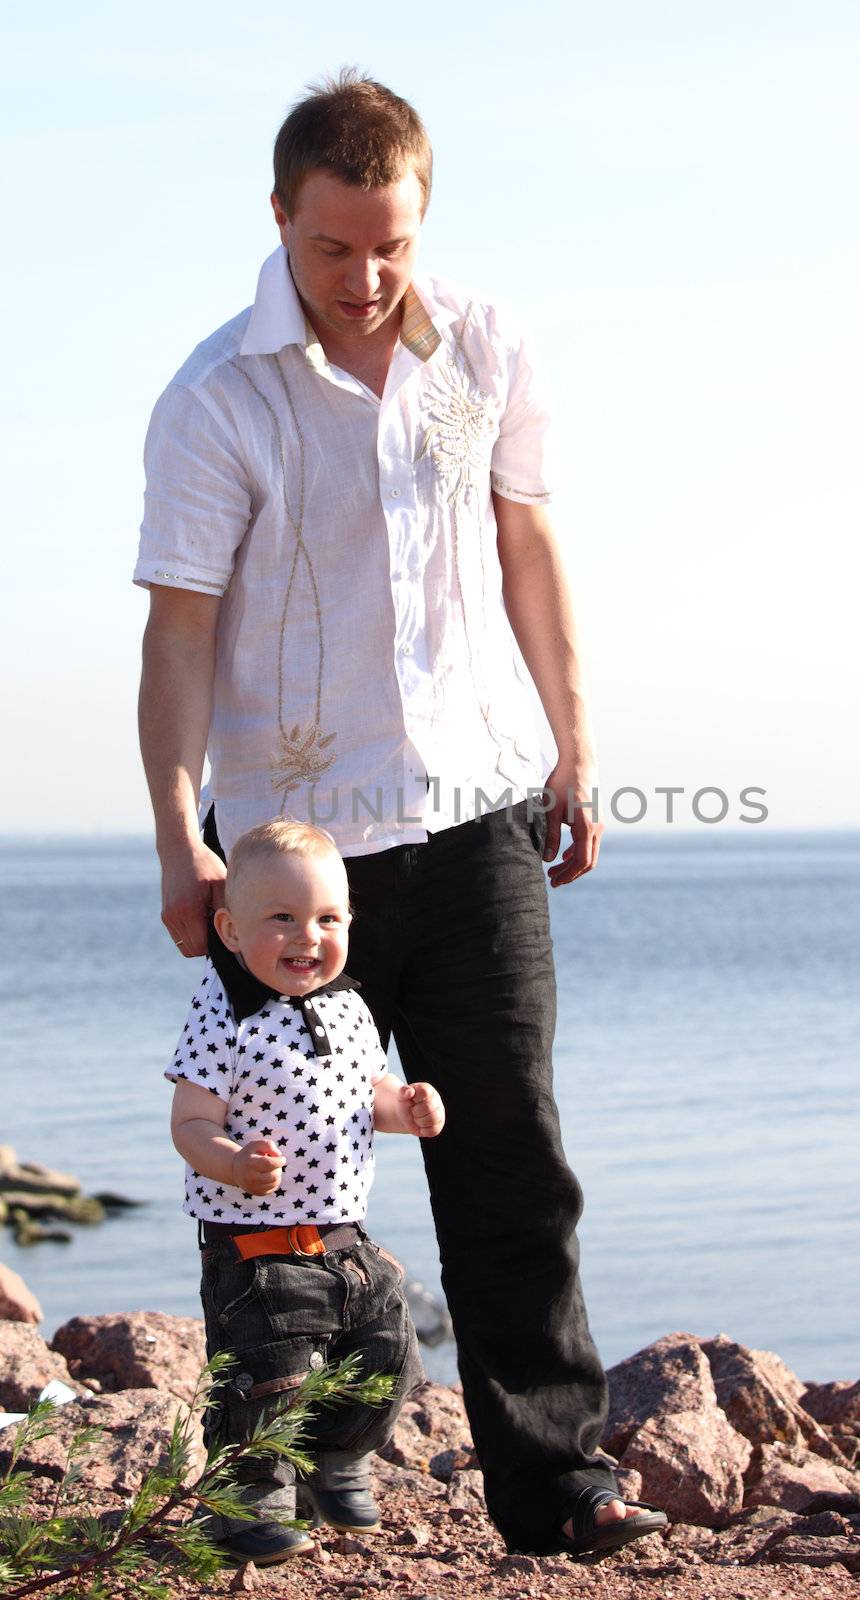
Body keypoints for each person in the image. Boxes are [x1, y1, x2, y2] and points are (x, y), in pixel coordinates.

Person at [137, 70, 666, 1558]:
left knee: (509, 1155)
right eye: (332, 249)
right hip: (291, 856)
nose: (365, 280)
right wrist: (182, 833)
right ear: (280, 219)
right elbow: (177, 633)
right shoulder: (213, 397)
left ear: (419, 219)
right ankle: (259, 1481)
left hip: (477, 813)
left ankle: (556, 1490)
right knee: (268, 1186)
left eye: (391, 247)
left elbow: (525, 546)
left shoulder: (486, 345)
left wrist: (572, 745)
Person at [168, 818, 444, 1566]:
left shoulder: (350, 1006)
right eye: (281, 919)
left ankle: (338, 1459)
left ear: (350, 923)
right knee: (266, 1374)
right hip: (254, 1248)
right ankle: (245, 1502)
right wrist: (231, 1161)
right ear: (229, 928)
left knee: (384, 1351)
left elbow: (370, 1095)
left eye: (327, 919)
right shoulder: (223, 1014)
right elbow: (190, 1122)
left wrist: (407, 1110)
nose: (307, 937)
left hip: (344, 1240)